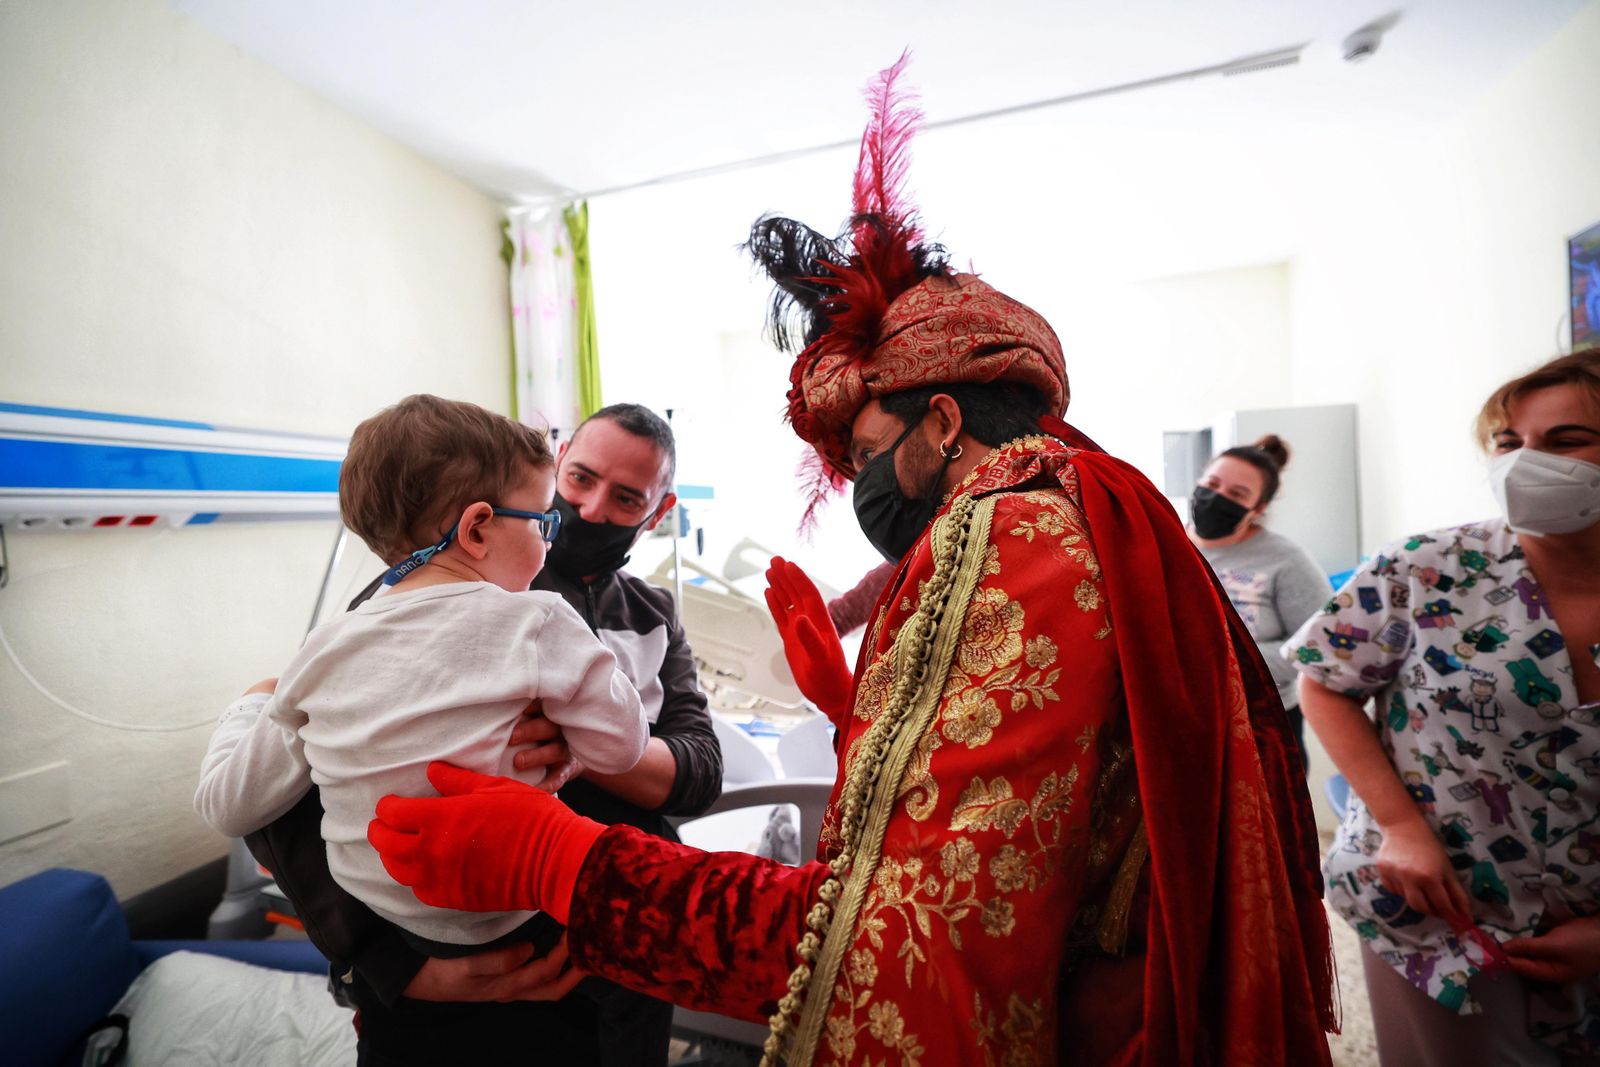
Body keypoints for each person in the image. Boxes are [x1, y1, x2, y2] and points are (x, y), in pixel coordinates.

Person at [364, 57, 1335, 1066]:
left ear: (943, 419)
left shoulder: (1008, 534)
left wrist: (565, 859)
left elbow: (903, 938)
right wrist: (855, 707)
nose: (861, 483)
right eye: (577, 481)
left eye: (867, 453)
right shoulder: (1077, 508)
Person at [240, 401, 723, 1066]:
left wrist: (577, 746)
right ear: (558, 464)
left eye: (626, 498)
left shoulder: (653, 615)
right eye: (580, 479)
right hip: (438, 970)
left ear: (659, 510)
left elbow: (700, 770)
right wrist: (383, 965)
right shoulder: (419, 594)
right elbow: (302, 787)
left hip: (609, 958)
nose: (589, 509)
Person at [195, 394, 650, 947]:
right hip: (513, 911)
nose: (549, 542)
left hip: (385, 925)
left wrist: (250, 705)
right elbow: (622, 749)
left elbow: (227, 806)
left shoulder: (323, 651)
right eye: (543, 522)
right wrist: (573, 728)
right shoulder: (537, 621)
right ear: (477, 529)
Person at [1287, 351, 1600, 1065]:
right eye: (1508, 442)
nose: (1525, 463)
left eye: (1566, 440)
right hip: (1440, 912)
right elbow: (1325, 681)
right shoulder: (1428, 567)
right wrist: (1400, 826)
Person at [1188, 434, 1330, 749]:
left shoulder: (1286, 560)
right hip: (1185, 715)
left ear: (1257, 509)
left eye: (1236, 494)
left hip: (1261, 723)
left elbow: (1319, 645)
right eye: (1212, 484)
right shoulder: (1166, 543)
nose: (1217, 498)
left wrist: (1224, 659)